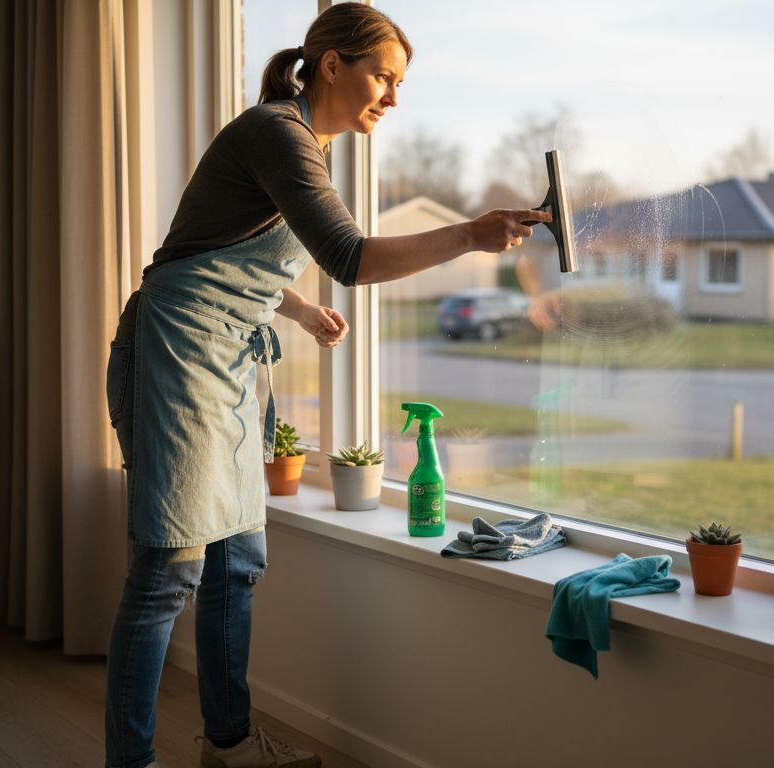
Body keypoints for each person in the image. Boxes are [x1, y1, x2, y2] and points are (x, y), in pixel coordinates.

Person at [102, 5, 550, 768]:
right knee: (170, 568)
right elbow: (346, 253)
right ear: (332, 65)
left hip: (233, 356)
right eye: (384, 76)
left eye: (400, 83)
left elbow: (217, 246)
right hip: (179, 350)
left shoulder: (305, 146)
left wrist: (297, 306)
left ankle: (231, 745)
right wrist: (471, 235)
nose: (393, 97)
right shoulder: (278, 131)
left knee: (237, 561)